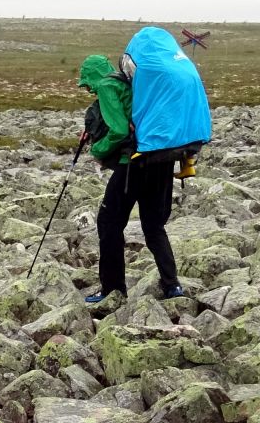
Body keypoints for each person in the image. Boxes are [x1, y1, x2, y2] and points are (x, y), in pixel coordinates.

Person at [77, 54, 183, 303]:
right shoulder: (132, 83)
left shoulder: (107, 86)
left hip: (133, 164)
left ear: (93, 76)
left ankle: (112, 290)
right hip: (161, 160)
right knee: (154, 227)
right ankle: (172, 286)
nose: (88, 88)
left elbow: (119, 130)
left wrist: (97, 150)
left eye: (86, 83)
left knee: (109, 223)